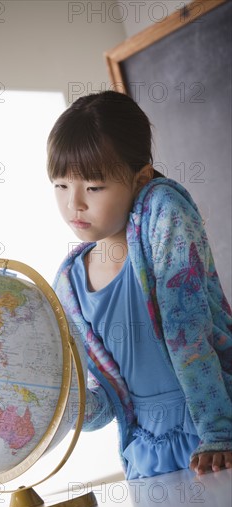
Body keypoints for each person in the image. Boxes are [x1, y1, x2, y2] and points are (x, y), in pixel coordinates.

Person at [47, 90, 232, 480]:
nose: (74, 204)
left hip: (216, 432)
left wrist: (219, 434)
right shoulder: (68, 282)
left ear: (141, 177)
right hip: (145, 457)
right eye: (61, 186)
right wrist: (51, 407)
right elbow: (107, 401)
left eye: (93, 188)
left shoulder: (163, 213)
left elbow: (189, 335)